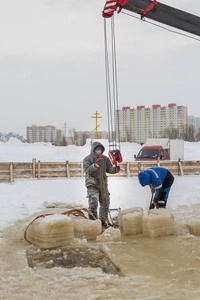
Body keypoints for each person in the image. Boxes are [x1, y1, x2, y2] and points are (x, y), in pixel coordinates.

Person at [83, 141, 120, 227]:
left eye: (100, 150)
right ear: (93, 150)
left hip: (103, 184)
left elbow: (109, 169)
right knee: (94, 202)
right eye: (97, 150)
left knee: (105, 202)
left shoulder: (105, 159)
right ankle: (93, 221)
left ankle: (103, 220)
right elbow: (87, 171)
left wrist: (115, 170)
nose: (99, 151)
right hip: (92, 184)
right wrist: (94, 165)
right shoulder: (88, 159)